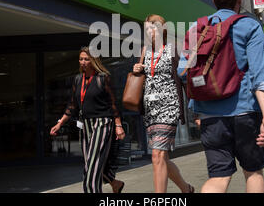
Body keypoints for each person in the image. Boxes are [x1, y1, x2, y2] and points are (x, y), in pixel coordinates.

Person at [178, 0, 264, 193]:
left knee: (219, 177)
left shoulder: (197, 28)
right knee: (253, 172)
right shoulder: (249, 26)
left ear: (214, 1)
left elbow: (182, 73)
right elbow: (261, 75)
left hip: (210, 117)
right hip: (245, 112)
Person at [50, 47, 126, 193]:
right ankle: (115, 183)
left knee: (91, 168)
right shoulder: (77, 79)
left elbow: (113, 103)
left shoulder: (102, 78)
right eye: (81, 59)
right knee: (91, 164)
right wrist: (60, 123)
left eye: (86, 59)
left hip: (102, 124)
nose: (83, 62)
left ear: (93, 61)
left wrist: (118, 125)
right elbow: (72, 105)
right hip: (85, 125)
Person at [133, 14, 194, 193]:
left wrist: (194, 109)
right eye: (146, 29)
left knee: (157, 155)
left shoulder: (174, 49)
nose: (149, 32)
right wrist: (137, 69)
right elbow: (142, 76)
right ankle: (186, 188)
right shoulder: (145, 50)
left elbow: (184, 79)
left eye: (151, 28)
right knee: (162, 157)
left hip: (169, 106)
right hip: (151, 109)